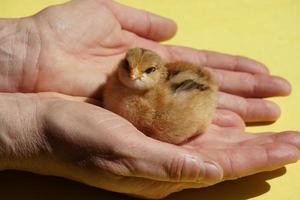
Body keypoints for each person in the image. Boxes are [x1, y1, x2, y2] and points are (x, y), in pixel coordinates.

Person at [0, 0, 299, 199]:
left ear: (161, 73)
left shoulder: (164, 103)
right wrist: (25, 130)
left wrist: (23, 43)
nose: (133, 76)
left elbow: (195, 94)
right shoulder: (115, 87)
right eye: (127, 68)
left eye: (146, 72)